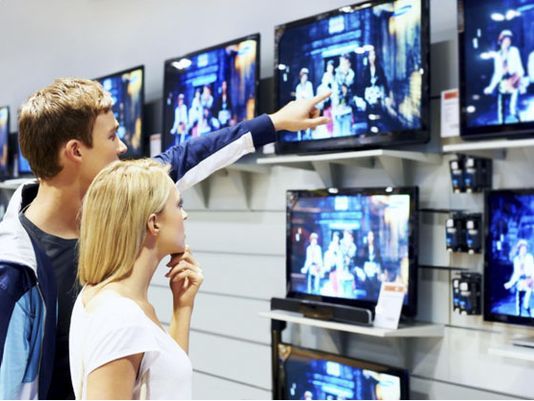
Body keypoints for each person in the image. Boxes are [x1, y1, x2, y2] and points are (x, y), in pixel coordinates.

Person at [0, 77, 330, 399]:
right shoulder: (15, 270)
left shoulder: (119, 203)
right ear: (75, 151)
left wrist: (274, 123)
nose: (122, 147)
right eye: (112, 136)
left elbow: (186, 156)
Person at [70, 159, 199, 399]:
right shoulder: (121, 318)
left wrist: (183, 307)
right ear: (154, 223)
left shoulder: (99, 296)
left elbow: (167, 383)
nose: (185, 215)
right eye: (178, 205)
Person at [484, 30, 525, 124]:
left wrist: (521, 83)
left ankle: (520, 123)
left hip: (514, 81)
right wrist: (491, 87)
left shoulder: (514, 51)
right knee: (501, 109)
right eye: (505, 39)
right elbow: (497, 73)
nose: (507, 41)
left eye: (509, 39)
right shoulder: (498, 55)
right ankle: (501, 126)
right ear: (501, 41)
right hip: (503, 83)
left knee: (512, 109)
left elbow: (519, 67)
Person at [360, 48, 393, 133]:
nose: (372, 57)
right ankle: (370, 130)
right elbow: (362, 85)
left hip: (378, 96)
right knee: (370, 116)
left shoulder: (379, 69)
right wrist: (362, 99)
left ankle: (379, 131)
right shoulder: (365, 70)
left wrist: (387, 95)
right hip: (368, 97)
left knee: (379, 116)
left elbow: (384, 82)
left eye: (373, 55)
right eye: (370, 55)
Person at [504, 239, 534, 316]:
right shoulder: (516, 260)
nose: (523, 250)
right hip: (520, 283)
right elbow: (516, 274)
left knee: (526, 305)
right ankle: (518, 316)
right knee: (518, 303)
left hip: (529, 282)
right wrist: (510, 283)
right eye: (522, 248)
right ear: (519, 249)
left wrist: (532, 280)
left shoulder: (530, 258)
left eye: (525, 248)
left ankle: (531, 314)